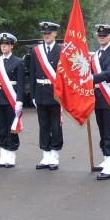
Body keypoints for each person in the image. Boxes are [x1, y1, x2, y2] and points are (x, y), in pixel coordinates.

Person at [80, 24, 110, 180]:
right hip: (97, 97)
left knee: (109, 131)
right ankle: (106, 159)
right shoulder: (95, 55)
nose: (102, 37)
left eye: (105, 35)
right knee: (102, 130)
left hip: (109, 95)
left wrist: (92, 78)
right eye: (100, 35)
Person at [0, 32, 25, 169]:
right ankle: (3, 154)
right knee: (1, 127)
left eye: (6, 44)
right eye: (2, 44)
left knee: (11, 127)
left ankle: (11, 154)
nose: (3, 46)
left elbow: (21, 83)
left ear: (11, 46)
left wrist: (20, 101)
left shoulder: (18, 62)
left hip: (11, 98)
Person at [30, 22, 64, 170]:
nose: (46, 35)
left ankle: (54, 155)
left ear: (55, 33)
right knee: (43, 125)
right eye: (44, 33)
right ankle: (45, 155)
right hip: (40, 92)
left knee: (55, 125)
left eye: (49, 33)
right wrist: (32, 95)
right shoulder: (35, 51)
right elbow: (32, 73)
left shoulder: (62, 50)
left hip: (55, 93)